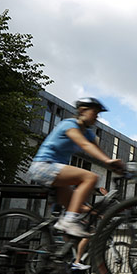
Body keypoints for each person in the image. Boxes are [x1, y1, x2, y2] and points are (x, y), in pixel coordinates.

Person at [27, 98, 124, 237]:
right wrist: (108, 161)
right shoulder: (69, 125)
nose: (97, 117)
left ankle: (59, 252)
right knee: (90, 177)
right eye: (95, 112)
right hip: (43, 166)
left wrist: (117, 167)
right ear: (82, 110)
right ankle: (68, 222)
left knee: (76, 207)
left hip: (56, 172)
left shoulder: (88, 133)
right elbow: (85, 145)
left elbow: (99, 153)